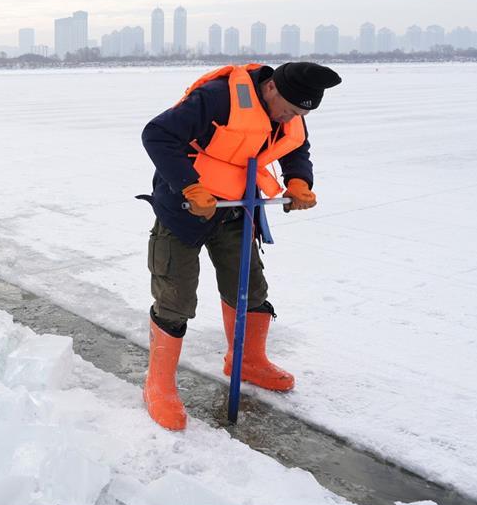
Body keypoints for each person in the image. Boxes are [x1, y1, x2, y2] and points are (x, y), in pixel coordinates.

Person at [138, 61, 341, 431]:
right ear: (273, 89)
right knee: (175, 298)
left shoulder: (290, 112)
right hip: (184, 208)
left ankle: (246, 360)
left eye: (300, 114)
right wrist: (189, 185)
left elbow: (296, 148)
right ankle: (159, 385)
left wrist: (298, 181)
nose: (291, 118)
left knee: (249, 288)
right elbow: (157, 134)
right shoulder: (218, 98)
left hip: (236, 208)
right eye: (291, 110)